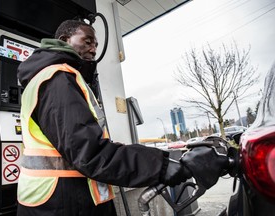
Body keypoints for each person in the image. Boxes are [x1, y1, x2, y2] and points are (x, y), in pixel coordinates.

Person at [16, 19, 229, 216]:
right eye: (87, 41)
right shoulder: (57, 79)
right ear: (64, 40)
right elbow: (90, 153)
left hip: (60, 199)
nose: (93, 49)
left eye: (96, 45)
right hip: (61, 204)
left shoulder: (57, 78)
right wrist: (163, 166)